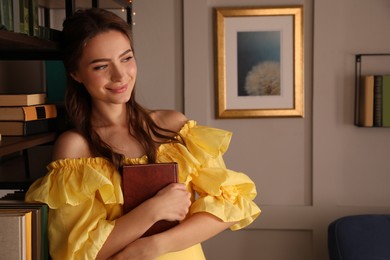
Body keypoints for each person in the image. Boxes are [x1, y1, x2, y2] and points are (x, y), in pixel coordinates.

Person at [25, 8, 261, 260]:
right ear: (75, 73)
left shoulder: (173, 126)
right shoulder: (75, 147)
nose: (120, 75)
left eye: (126, 58)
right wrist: (153, 210)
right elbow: (75, 252)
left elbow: (230, 204)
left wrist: (152, 246)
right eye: (101, 66)